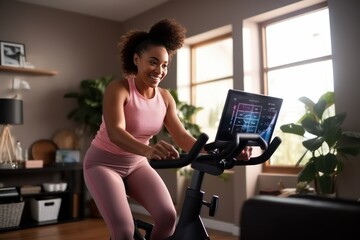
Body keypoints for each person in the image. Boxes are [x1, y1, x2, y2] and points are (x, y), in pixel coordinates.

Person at [83, 18, 252, 240]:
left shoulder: (164, 98)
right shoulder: (119, 89)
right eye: (153, 62)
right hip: (103, 164)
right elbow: (115, 132)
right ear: (136, 59)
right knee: (123, 231)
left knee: (167, 216)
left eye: (164, 65)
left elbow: (182, 136)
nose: (159, 70)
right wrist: (148, 150)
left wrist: (224, 151)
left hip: (136, 165)